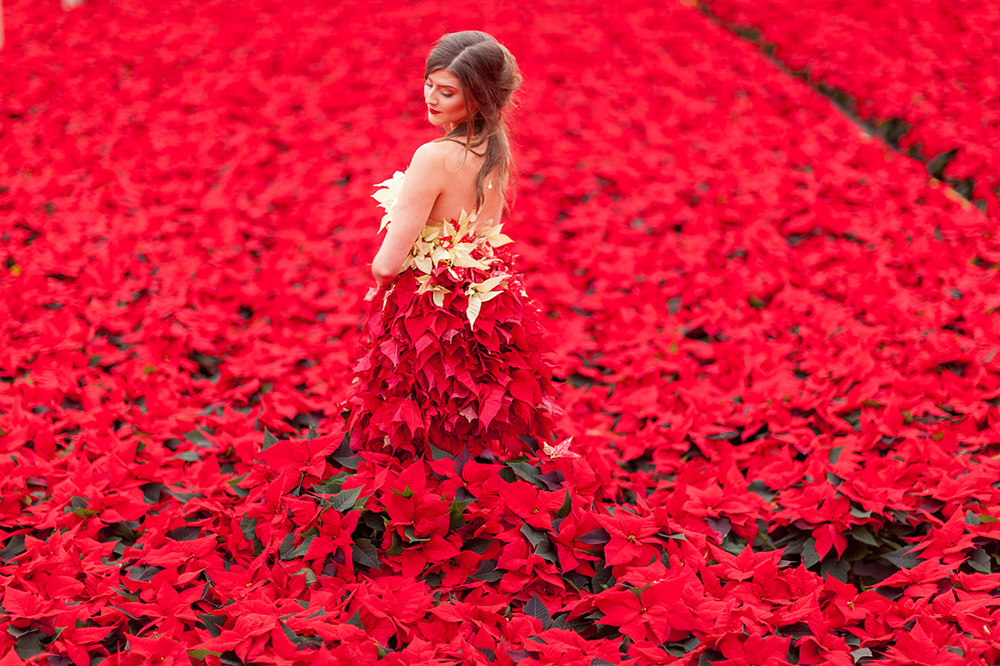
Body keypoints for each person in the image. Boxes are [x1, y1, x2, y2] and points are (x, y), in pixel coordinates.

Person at [344, 31, 565, 462]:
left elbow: (386, 267)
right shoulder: (496, 149)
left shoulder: (432, 157)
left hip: (431, 316)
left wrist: (384, 263)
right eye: (429, 83)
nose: (431, 97)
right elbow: (485, 233)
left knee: (415, 433)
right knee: (476, 425)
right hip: (488, 312)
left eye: (447, 92)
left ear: (479, 99)